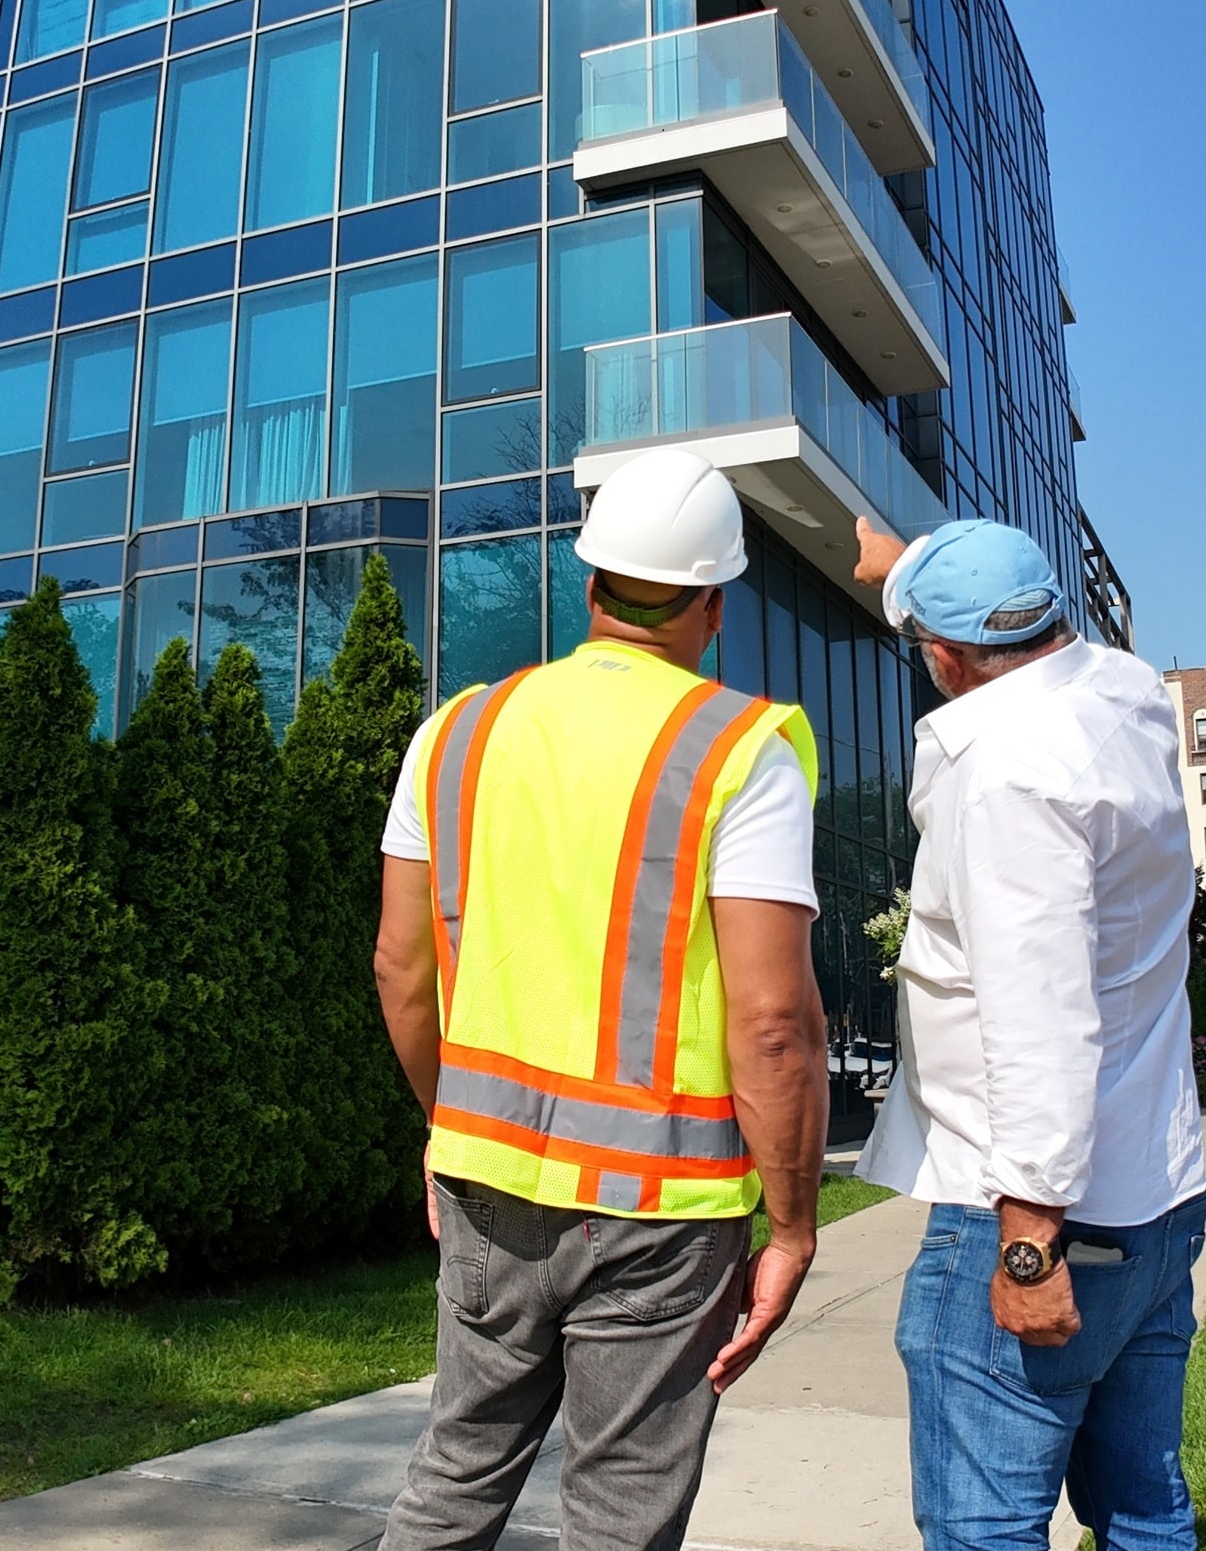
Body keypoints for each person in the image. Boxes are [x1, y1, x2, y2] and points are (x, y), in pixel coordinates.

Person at [373, 446, 829, 1551]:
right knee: (619, 1524)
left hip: (483, 1187)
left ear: (589, 586)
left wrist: (449, 1127)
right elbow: (775, 1025)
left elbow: (400, 968)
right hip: (661, 1214)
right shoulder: (740, 749)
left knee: (452, 1483)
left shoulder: (456, 733)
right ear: (712, 607)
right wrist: (793, 1222)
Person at [852, 517, 1206, 1551]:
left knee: (986, 1530)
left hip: (1040, 1214)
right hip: (1154, 1198)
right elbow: (985, 605)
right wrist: (903, 565)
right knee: (1146, 1512)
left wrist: (1025, 1248)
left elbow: (1040, 1019)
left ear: (948, 659)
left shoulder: (1006, 775)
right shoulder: (1123, 695)